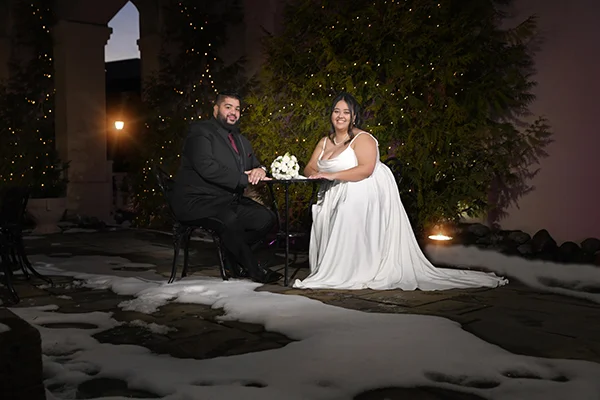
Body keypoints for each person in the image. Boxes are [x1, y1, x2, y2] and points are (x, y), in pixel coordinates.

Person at [294, 92, 508, 290]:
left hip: (361, 188)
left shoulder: (363, 139)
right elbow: (309, 167)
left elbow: (366, 169)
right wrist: (317, 174)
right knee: (329, 209)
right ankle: (334, 267)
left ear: (354, 116)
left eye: (346, 112)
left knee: (347, 206)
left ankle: (350, 270)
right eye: (336, 111)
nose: (340, 116)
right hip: (333, 190)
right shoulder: (325, 141)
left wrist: (331, 175)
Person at [171, 91, 282, 284]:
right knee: (230, 220)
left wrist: (261, 170)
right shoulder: (200, 132)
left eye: (237, 109)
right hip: (196, 201)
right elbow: (207, 167)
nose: (233, 112)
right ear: (216, 109)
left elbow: (256, 164)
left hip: (227, 201)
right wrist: (243, 179)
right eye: (228, 107)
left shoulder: (241, 140)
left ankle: (231, 252)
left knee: (266, 218)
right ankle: (254, 270)